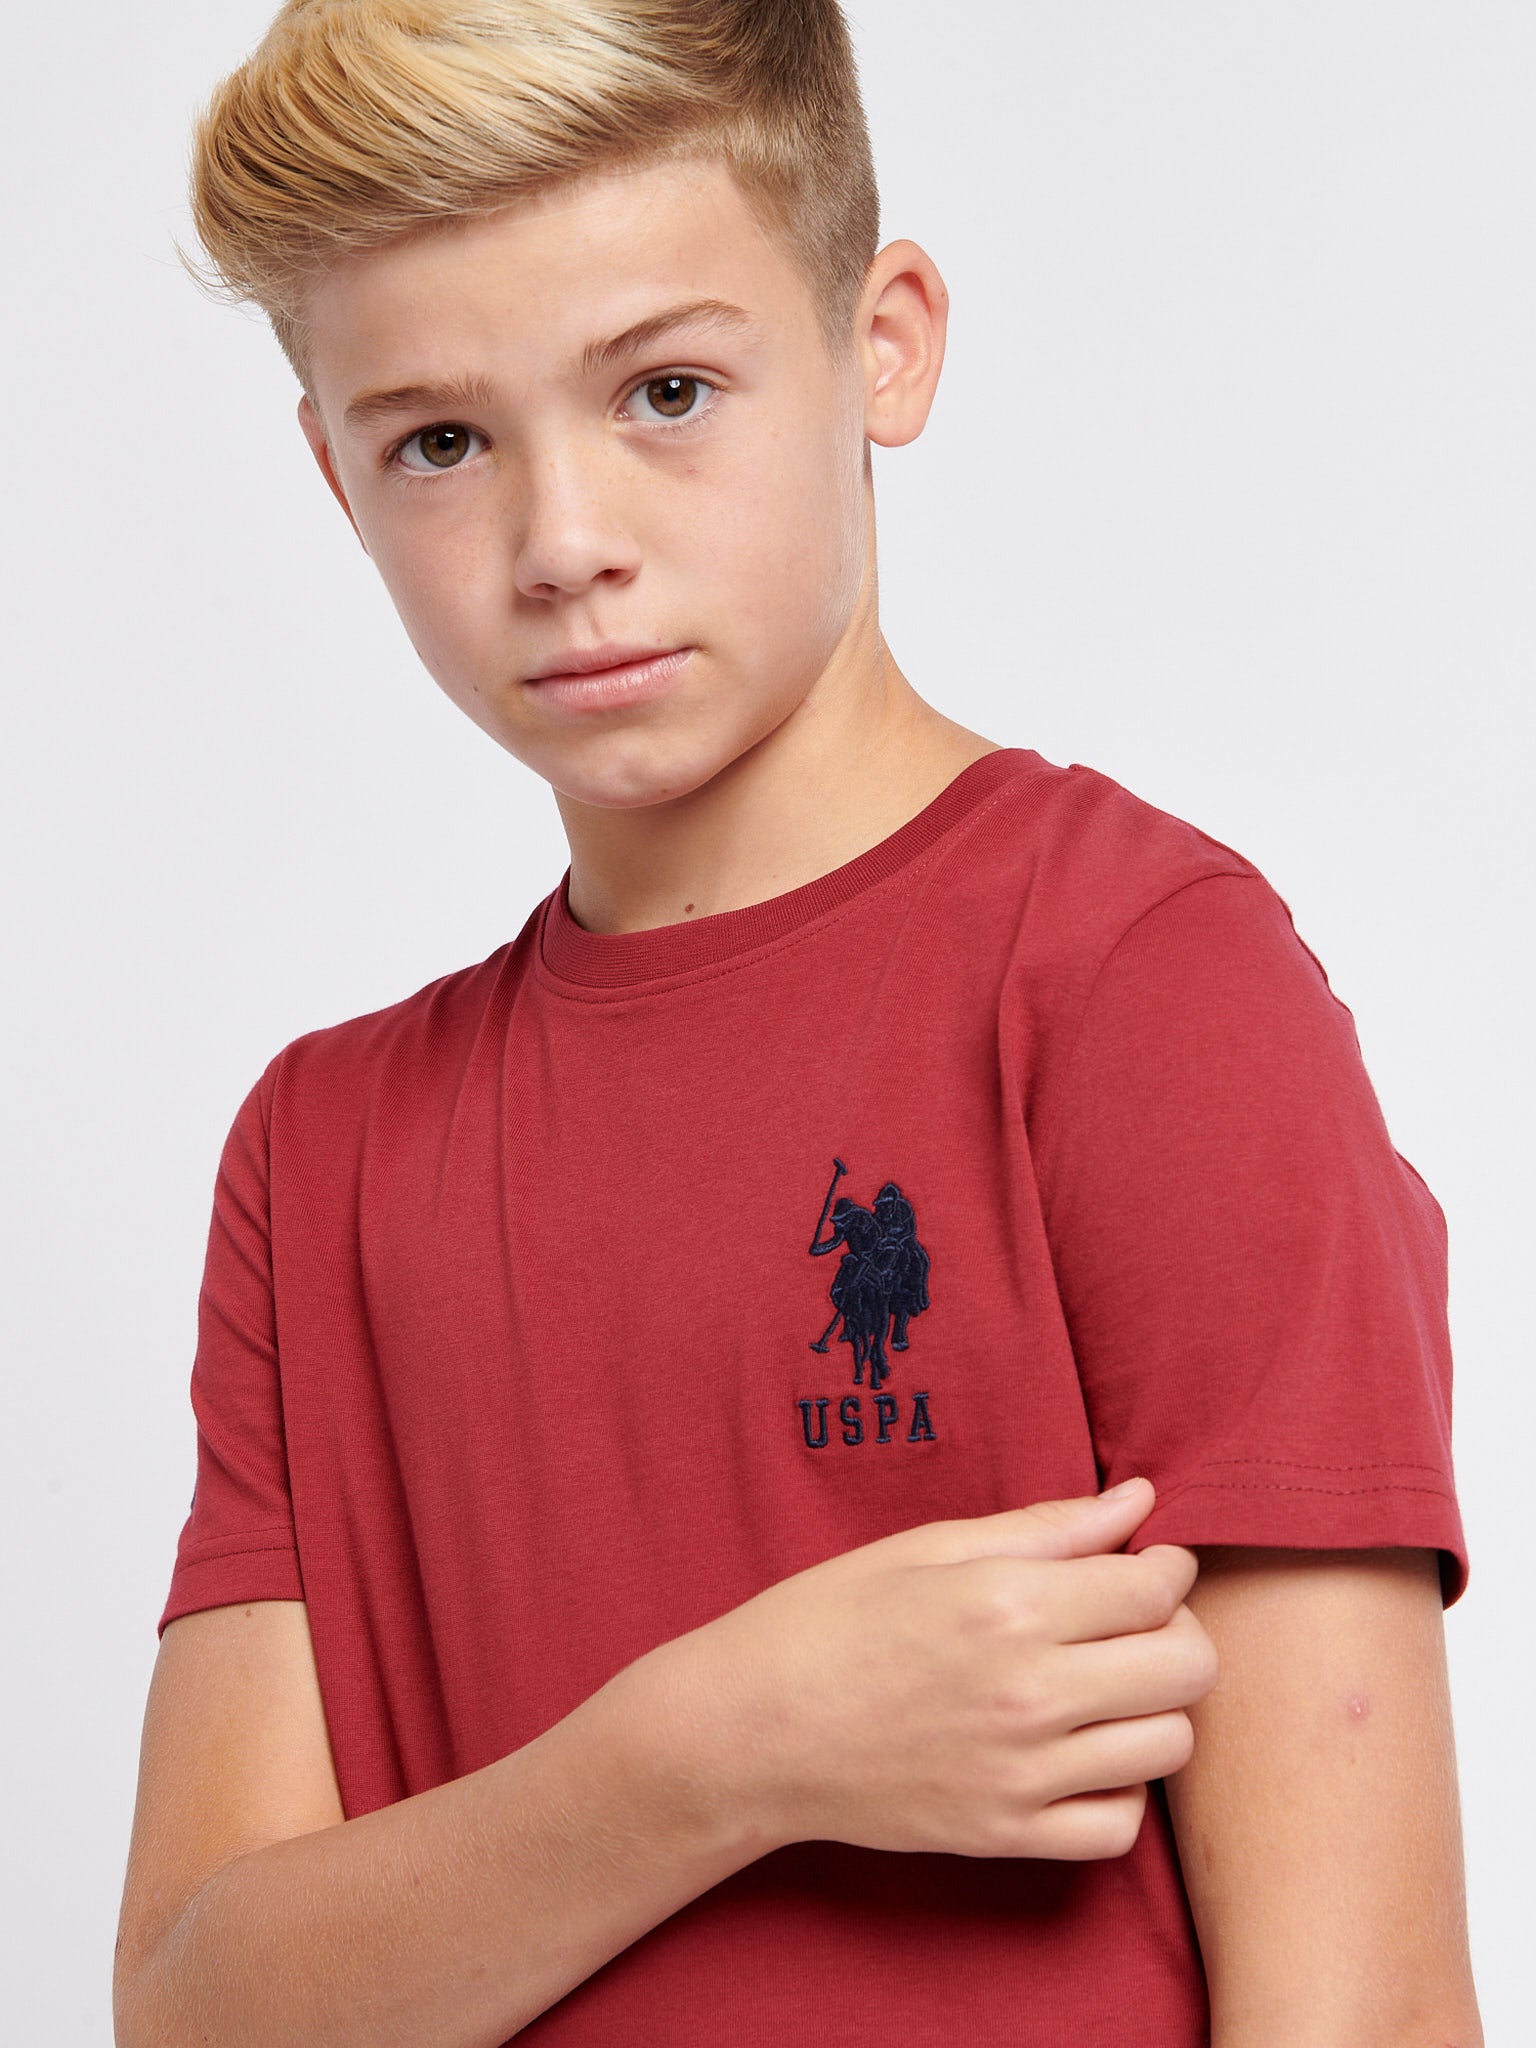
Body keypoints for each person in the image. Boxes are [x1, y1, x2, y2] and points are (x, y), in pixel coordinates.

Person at [113, 4, 1482, 2044]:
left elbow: (1360, 2007)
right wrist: (715, 1749)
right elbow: (193, 2005)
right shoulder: (323, 1152)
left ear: (884, 345)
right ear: (334, 474)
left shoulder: (1138, 982)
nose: (564, 542)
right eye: (440, 442)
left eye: (666, 389)